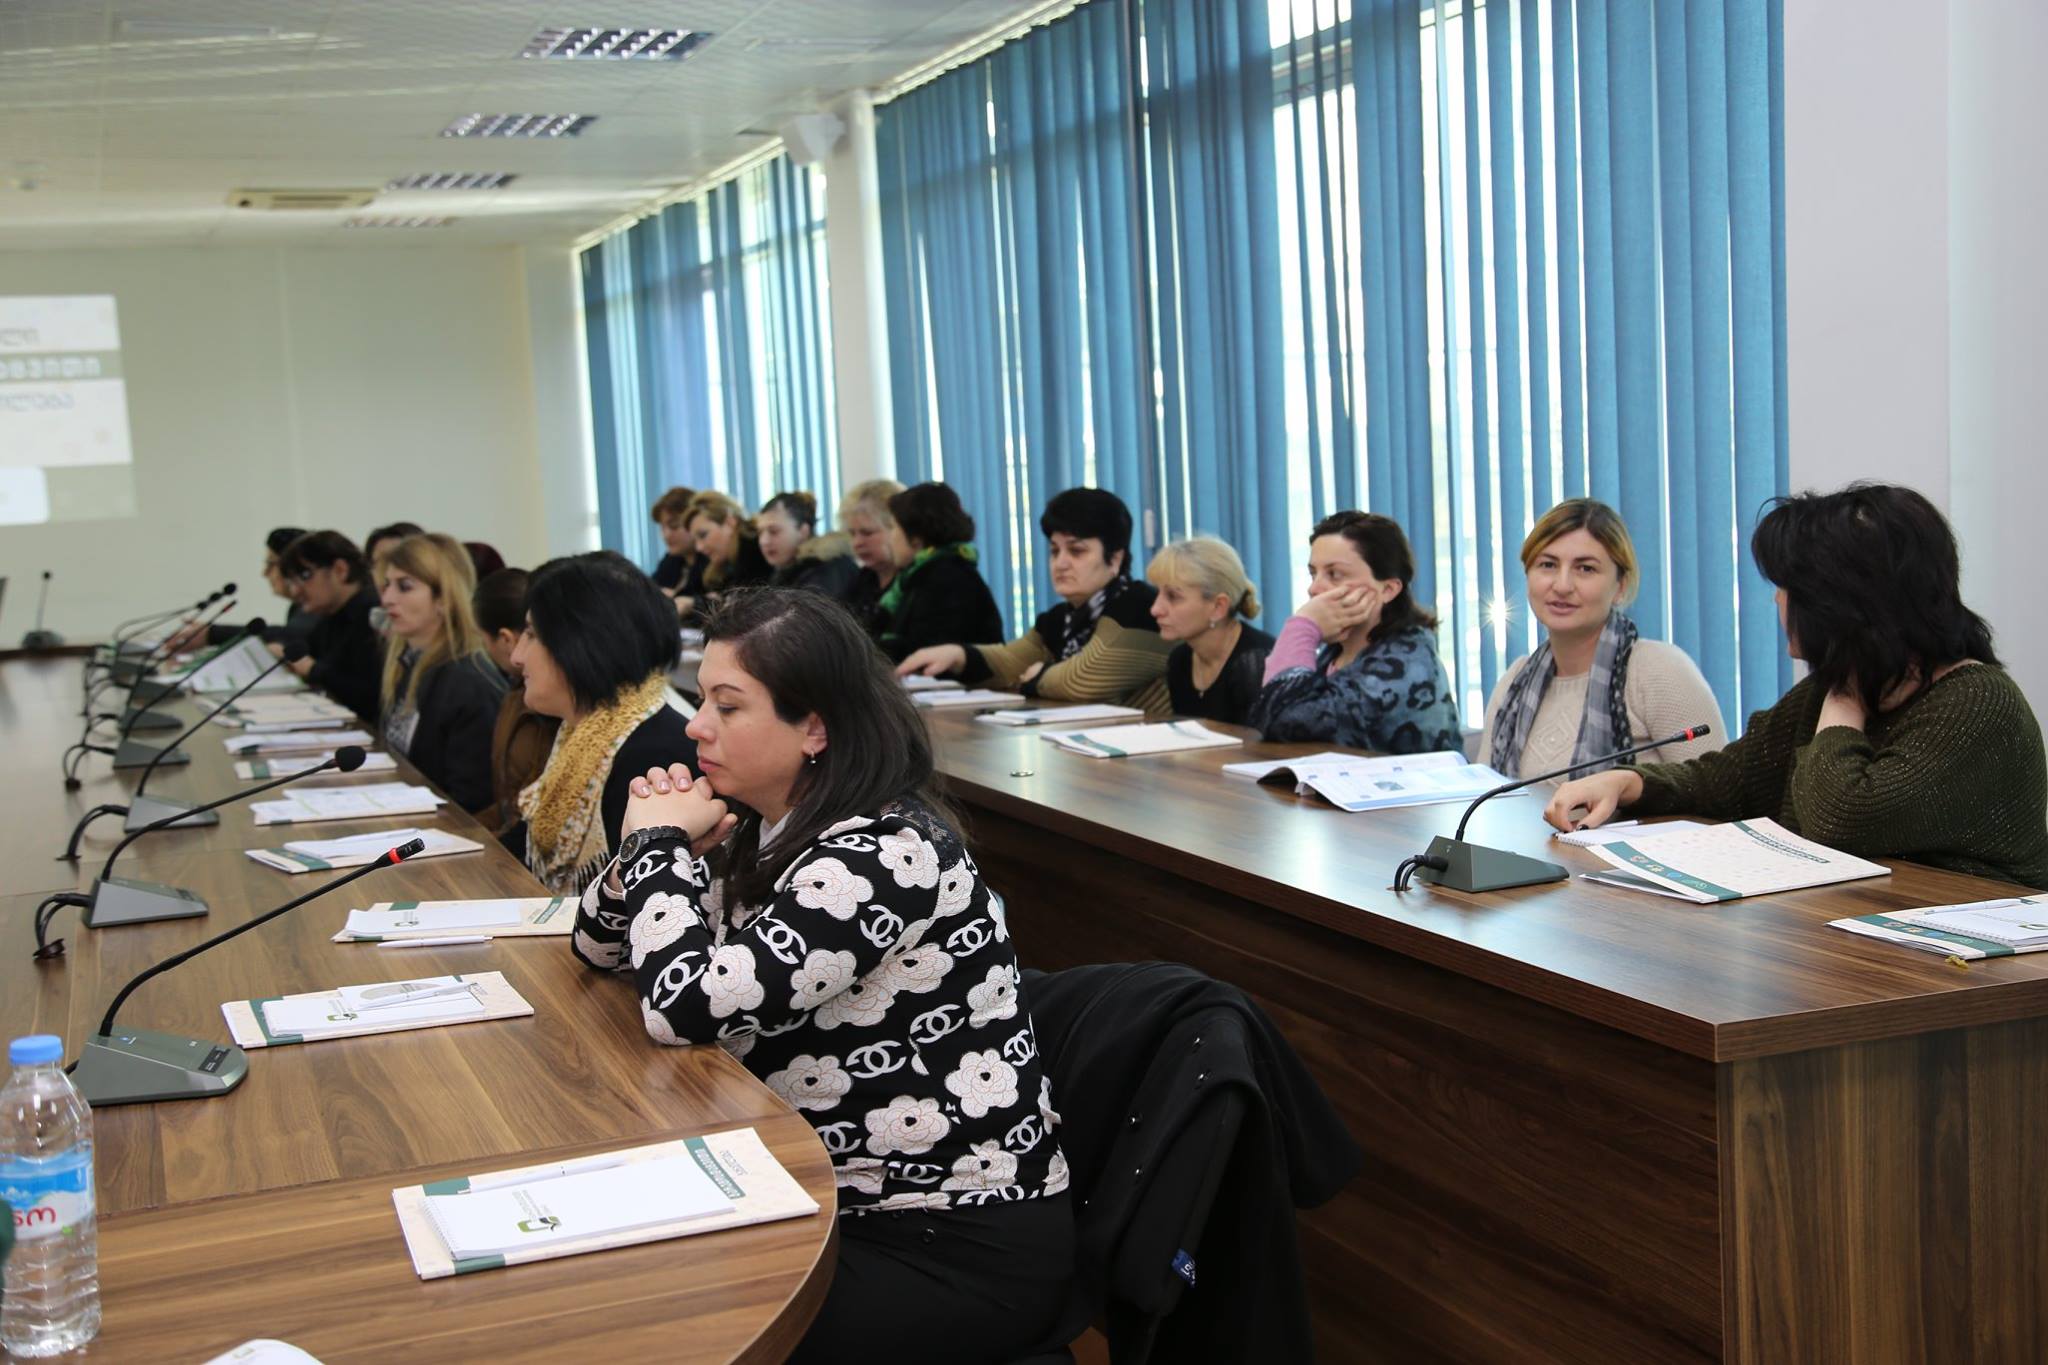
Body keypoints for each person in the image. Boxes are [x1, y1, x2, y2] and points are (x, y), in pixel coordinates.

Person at [574, 588, 1073, 1362]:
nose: (695, 724)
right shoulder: (762, 821)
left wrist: (657, 848)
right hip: (827, 1191)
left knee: (665, 1324)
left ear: (815, 726)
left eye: (726, 706)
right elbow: (597, 948)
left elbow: (683, 1004)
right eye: (701, 698)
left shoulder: (884, 854)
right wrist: (650, 855)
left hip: (945, 1234)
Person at [1546, 483, 2048, 889]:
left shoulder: (1975, 704)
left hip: (1970, 968)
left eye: (1789, 589)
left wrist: (1845, 702)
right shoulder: (1842, 686)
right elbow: (1732, 781)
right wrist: (1629, 783)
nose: (1778, 602)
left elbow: (1843, 821)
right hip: (1854, 942)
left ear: (1843, 603)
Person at [1478, 500, 1724, 781]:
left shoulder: (1659, 671)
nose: (1562, 585)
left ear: (1620, 586)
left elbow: (1717, 790)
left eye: (1585, 569)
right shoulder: (1514, 682)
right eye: (1548, 565)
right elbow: (1482, 794)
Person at [512, 551, 697, 895]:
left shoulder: (654, 755)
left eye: (532, 635)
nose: (517, 656)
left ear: (581, 643)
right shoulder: (581, 730)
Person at [898, 487, 1174, 716]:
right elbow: (1010, 663)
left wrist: (1038, 676)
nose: (1060, 563)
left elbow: (1082, 680)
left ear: (1114, 558)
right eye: (1054, 551)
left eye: (1076, 551)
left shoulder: (1143, 607)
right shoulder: (1060, 618)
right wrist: (958, 656)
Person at [1248, 511, 1463, 753]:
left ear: (1388, 589)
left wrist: (1302, 627)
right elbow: (1269, 714)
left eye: (1334, 574)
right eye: (1313, 573)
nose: (1314, 588)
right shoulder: (1335, 652)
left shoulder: (1407, 662)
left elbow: (1282, 722)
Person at [377, 534, 506, 812]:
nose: (387, 599)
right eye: (387, 585)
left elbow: (472, 801)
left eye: (405, 587)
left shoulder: (468, 683)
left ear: (444, 598)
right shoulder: (409, 664)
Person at [867, 482, 1006, 665]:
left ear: (916, 538)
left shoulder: (948, 580)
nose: (890, 538)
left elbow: (923, 650)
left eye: (893, 528)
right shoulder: (917, 576)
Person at [472, 567, 560, 845]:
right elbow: (507, 806)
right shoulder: (514, 696)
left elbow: (530, 819)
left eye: (531, 635)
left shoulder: (552, 709)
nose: (518, 656)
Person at [1147, 536, 1274, 725]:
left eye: (1173, 596)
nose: (1155, 609)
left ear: (1218, 607)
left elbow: (1264, 742)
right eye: (1158, 593)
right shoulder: (1180, 660)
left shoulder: (1257, 662)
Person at [275, 530, 383, 722]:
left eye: (304, 575)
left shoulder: (374, 615)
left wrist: (312, 669)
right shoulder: (331, 614)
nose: (295, 591)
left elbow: (372, 694)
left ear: (340, 570)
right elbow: (306, 650)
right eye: (291, 581)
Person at [672, 490, 772, 619]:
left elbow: (742, 612)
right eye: (695, 540)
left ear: (730, 522)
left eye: (703, 535)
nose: (699, 547)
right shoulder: (722, 562)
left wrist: (695, 604)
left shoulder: (757, 552)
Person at [837, 477, 906, 638]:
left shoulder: (915, 584)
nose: (857, 543)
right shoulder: (861, 582)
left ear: (898, 529)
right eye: (852, 534)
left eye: (867, 533)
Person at [759, 490, 859, 598]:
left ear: (803, 531)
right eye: (759, 532)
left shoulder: (828, 570)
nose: (764, 541)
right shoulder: (785, 570)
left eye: (774, 531)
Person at [648, 485, 702, 596]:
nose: (666, 535)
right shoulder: (671, 561)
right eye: (662, 528)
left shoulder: (714, 564)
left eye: (674, 525)